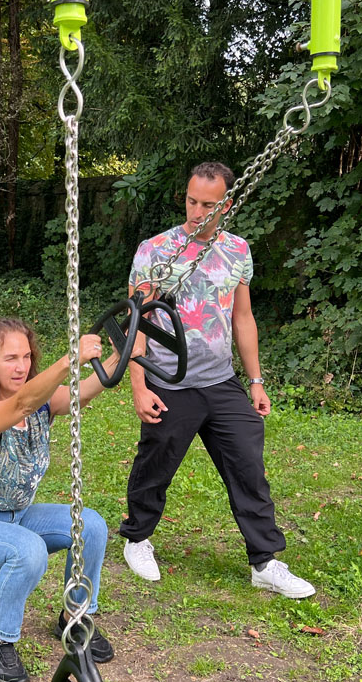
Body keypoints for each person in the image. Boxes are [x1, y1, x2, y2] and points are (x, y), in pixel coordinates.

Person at [121, 161, 315, 599]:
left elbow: (243, 319)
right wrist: (139, 385)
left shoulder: (237, 251)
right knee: (157, 462)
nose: (197, 211)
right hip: (169, 380)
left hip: (221, 382)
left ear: (226, 204)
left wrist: (257, 380)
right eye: (191, 201)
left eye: (208, 204)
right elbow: (135, 324)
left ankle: (264, 561)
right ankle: (138, 538)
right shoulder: (155, 250)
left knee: (248, 464)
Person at [0, 317, 120, 682]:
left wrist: (127, 354)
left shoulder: (42, 406)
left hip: (17, 517)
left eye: (26, 356)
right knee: (30, 550)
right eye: (9, 358)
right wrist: (71, 358)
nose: (21, 366)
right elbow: (21, 404)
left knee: (90, 525)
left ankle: (74, 617)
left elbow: (83, 392)